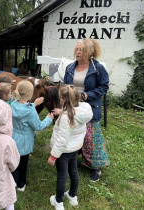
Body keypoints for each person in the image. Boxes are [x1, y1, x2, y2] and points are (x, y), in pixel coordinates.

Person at [62, 38, 110, 182]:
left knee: (90, 138)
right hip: (73, 105)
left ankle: (95, 167)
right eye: (76, 49)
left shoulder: (97, 68)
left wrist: (87, 95)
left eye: (81, 50)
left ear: (89, 52)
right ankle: (72, 160)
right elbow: (65, 85)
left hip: (90, 107)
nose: (77, 52)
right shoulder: (70, 67)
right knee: (72, 133)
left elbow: (104, 87)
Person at [48, 85, 93, 210]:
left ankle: (58, 202)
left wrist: (53, 156)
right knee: (73, 172)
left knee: (62, 176)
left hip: (63, 151)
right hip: (75, 148)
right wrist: (62, 111)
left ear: (62, 100)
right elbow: (73, 114)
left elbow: (62, 140)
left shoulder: (65, 118)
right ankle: (72, 196)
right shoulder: (83, 111)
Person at [11, 80, 54, 191]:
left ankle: (12, 183)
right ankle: (21, 184)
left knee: (14, 162)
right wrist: (48, 119)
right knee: (23, 164)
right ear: (30, 94)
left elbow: (22, 109)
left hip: (13, 138)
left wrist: (34, 104)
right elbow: (38, 126)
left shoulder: (13, 105)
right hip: (25, 142)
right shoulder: (30, 111)